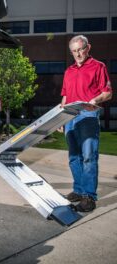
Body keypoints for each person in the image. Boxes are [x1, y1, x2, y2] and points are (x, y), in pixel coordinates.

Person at [60, 35, 112, 212]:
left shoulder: (99, 67)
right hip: (70, 116)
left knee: (89, 156)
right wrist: (61, 118)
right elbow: (65, 97)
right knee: (74, 157)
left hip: (88, 115)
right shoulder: (69, 71)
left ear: (88, 47)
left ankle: (89, 197)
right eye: (74, 51)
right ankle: (78, 190)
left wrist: (94, 100)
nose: (78, 54)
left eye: (81, 49)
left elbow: (107, 93)